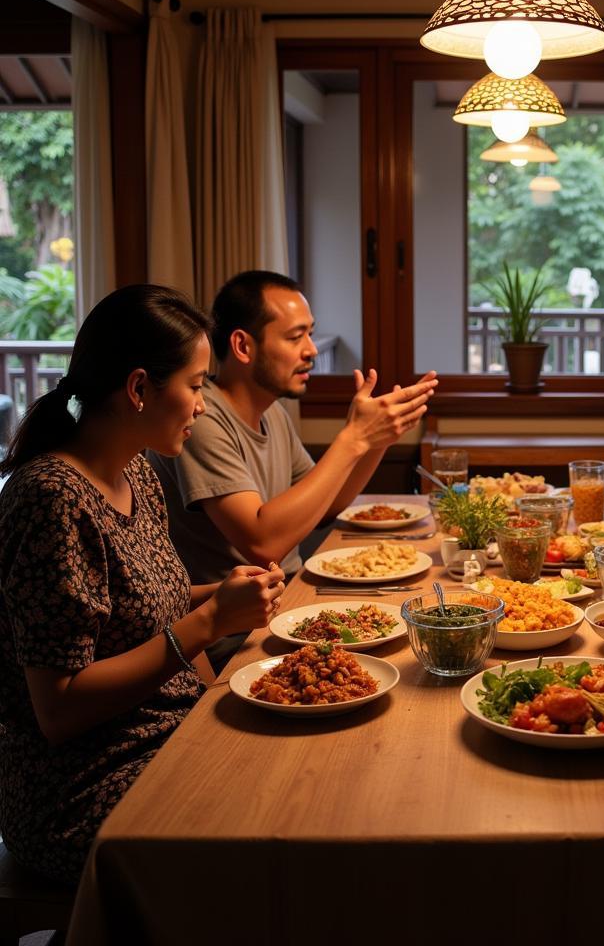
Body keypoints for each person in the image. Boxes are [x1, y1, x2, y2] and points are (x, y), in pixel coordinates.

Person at [0, 285, 285, 885]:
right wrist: (210, 622)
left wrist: (227, 599)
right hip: (82, 787)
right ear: (137, 389)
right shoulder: (51, 499)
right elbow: (59, 706)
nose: (204, 405)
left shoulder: (136, 474)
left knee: (302, 771)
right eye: (197, 385)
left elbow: (152, 609)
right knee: (281, 830)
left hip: (168, 734)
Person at [150, 270, 438, 586]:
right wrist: (354, 437)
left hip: (286, 594)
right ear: (243, 346)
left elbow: (327, 503)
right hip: (233, 625)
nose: (311, 350)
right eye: (294, 337)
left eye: (310, 334)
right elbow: (262, 546)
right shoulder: (200, 418)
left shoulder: (273, 414)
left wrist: (377, 440)